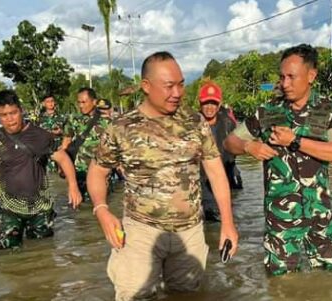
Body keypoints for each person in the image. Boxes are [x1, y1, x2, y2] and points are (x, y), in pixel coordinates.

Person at [86, 51, 239, 300]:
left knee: (188, 294)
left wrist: (228, 223)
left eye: (180, 84)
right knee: (135, 294)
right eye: (169, 86)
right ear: (146, 86)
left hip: (189, 232)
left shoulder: (194, 122)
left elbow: (216, 172)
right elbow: (97, 171)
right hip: (140, 232)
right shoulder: (121, 128)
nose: (177, 93)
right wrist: (101, 209)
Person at [224, 43, 332, 274]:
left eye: (292, 77)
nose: (285, 84)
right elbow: (229, 143)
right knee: (281, 285)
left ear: (311, 75)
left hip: (320, 216)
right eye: (282, 77)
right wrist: (249, 145)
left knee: (331, 281)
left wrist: (295, 141)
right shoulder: (265, 112)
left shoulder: (331, 110)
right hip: (280, 219)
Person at [0, 90, 82, 249]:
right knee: (8, 257)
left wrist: (73, 186)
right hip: (6, 208)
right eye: (4, 115)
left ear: (21, 110)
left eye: (13, 113)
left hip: (40, 207)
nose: (10, 119)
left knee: (42, 254)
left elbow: (63, 158)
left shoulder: (41, 136)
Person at [198, 81, 242, 222]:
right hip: (203, 180)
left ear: (219, 104)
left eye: (213, 103)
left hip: (225, 174)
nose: (210, 107)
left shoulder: (228, 123)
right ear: (200, 103)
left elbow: (241, 143)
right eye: (206, 103)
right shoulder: (192, 124)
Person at [61, 87, 111, 201]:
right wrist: (62, 165)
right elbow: (66, 141)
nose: (81, 105)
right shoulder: (73, 119)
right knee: (78, 205)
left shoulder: (106, 122)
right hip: (78, 172)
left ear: (94, 102)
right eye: (79, 102)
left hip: (99, 173)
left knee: (100, 204)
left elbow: (113, 148)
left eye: (84, 102)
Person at [37, 95, 65, 171]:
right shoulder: (40, 118)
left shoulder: (62, 117)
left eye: (52, 101)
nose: (50, 103)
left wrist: (61, 132)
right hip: (45, 152)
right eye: (48, 102)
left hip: (58, 149)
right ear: (43, 104)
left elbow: (68, 134)